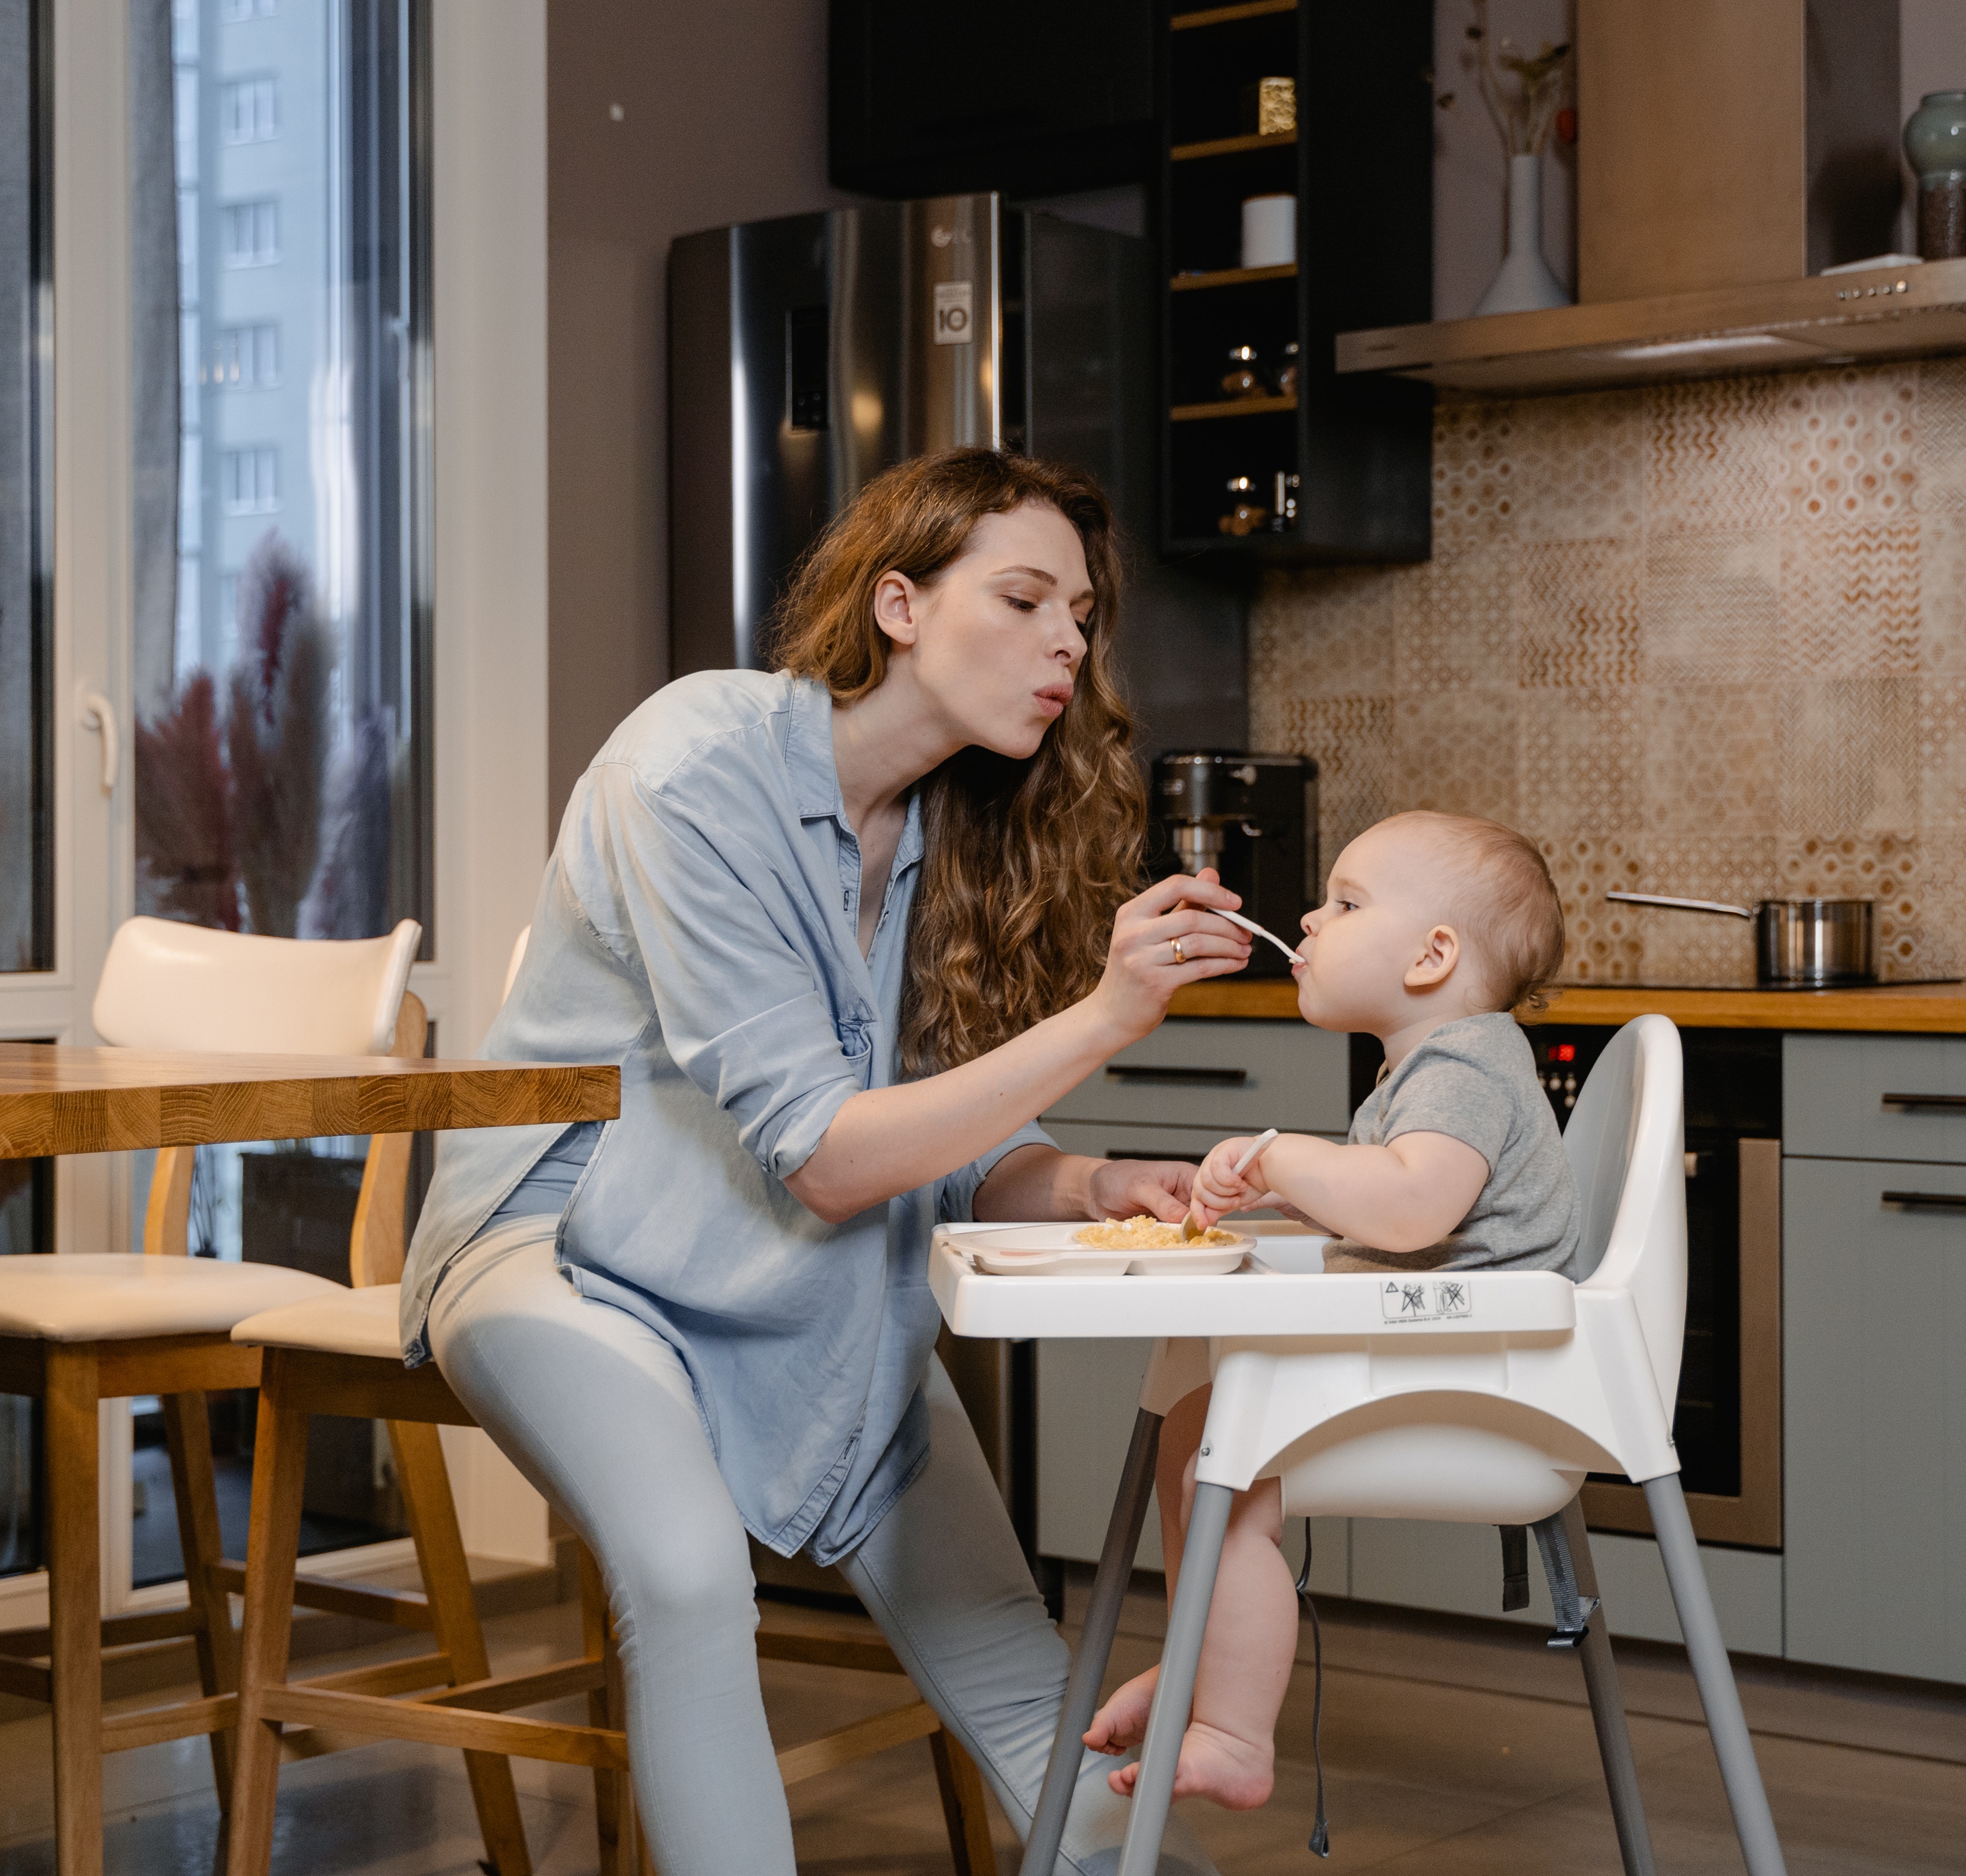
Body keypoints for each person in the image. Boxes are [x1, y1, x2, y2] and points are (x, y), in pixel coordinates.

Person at [398, 447, 1252, 1873]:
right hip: (562, 1245)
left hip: (806, 1275)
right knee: (684, 1575)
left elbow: (953, 1134)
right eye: (1027, 597)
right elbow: (831, 1159)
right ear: (901, 602)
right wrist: (1110, 1013)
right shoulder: (692, 764)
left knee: (1014, 1662)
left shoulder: (963, 827)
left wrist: (1092, 1182)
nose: (1066, 644)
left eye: (1084, 616)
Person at [1080, 810, 1576, 1809]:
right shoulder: (1425, 1069)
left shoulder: (1468, 1065)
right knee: (1193, 1426)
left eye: (1347, 903)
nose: (1308, 917)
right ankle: (1200, 1667)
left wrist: (1284, 1155)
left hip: (1473, 1380)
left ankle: (1232, 1730)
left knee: (1227, 1451)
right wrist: (1290, 1193)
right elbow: (1405, 1210)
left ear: (1434, 956)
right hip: (1434, 1352)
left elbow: (1410, 1205)